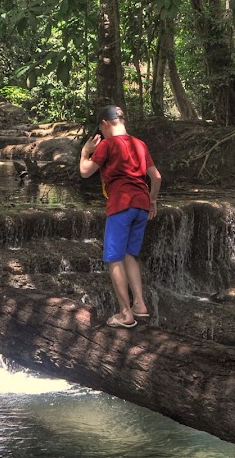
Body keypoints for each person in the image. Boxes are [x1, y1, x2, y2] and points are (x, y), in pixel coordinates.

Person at [80, 105, 161, 328]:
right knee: (128, 255)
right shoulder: (140, 144)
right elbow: (156, 177)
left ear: (105, 124)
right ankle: (140, 305)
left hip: (121, 204)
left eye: (101, 129)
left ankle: (125, 313)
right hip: (142, 205)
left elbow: (85, 171)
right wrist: (152, 200)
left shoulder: (108, 144)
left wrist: (85, 152)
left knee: (114, 258)